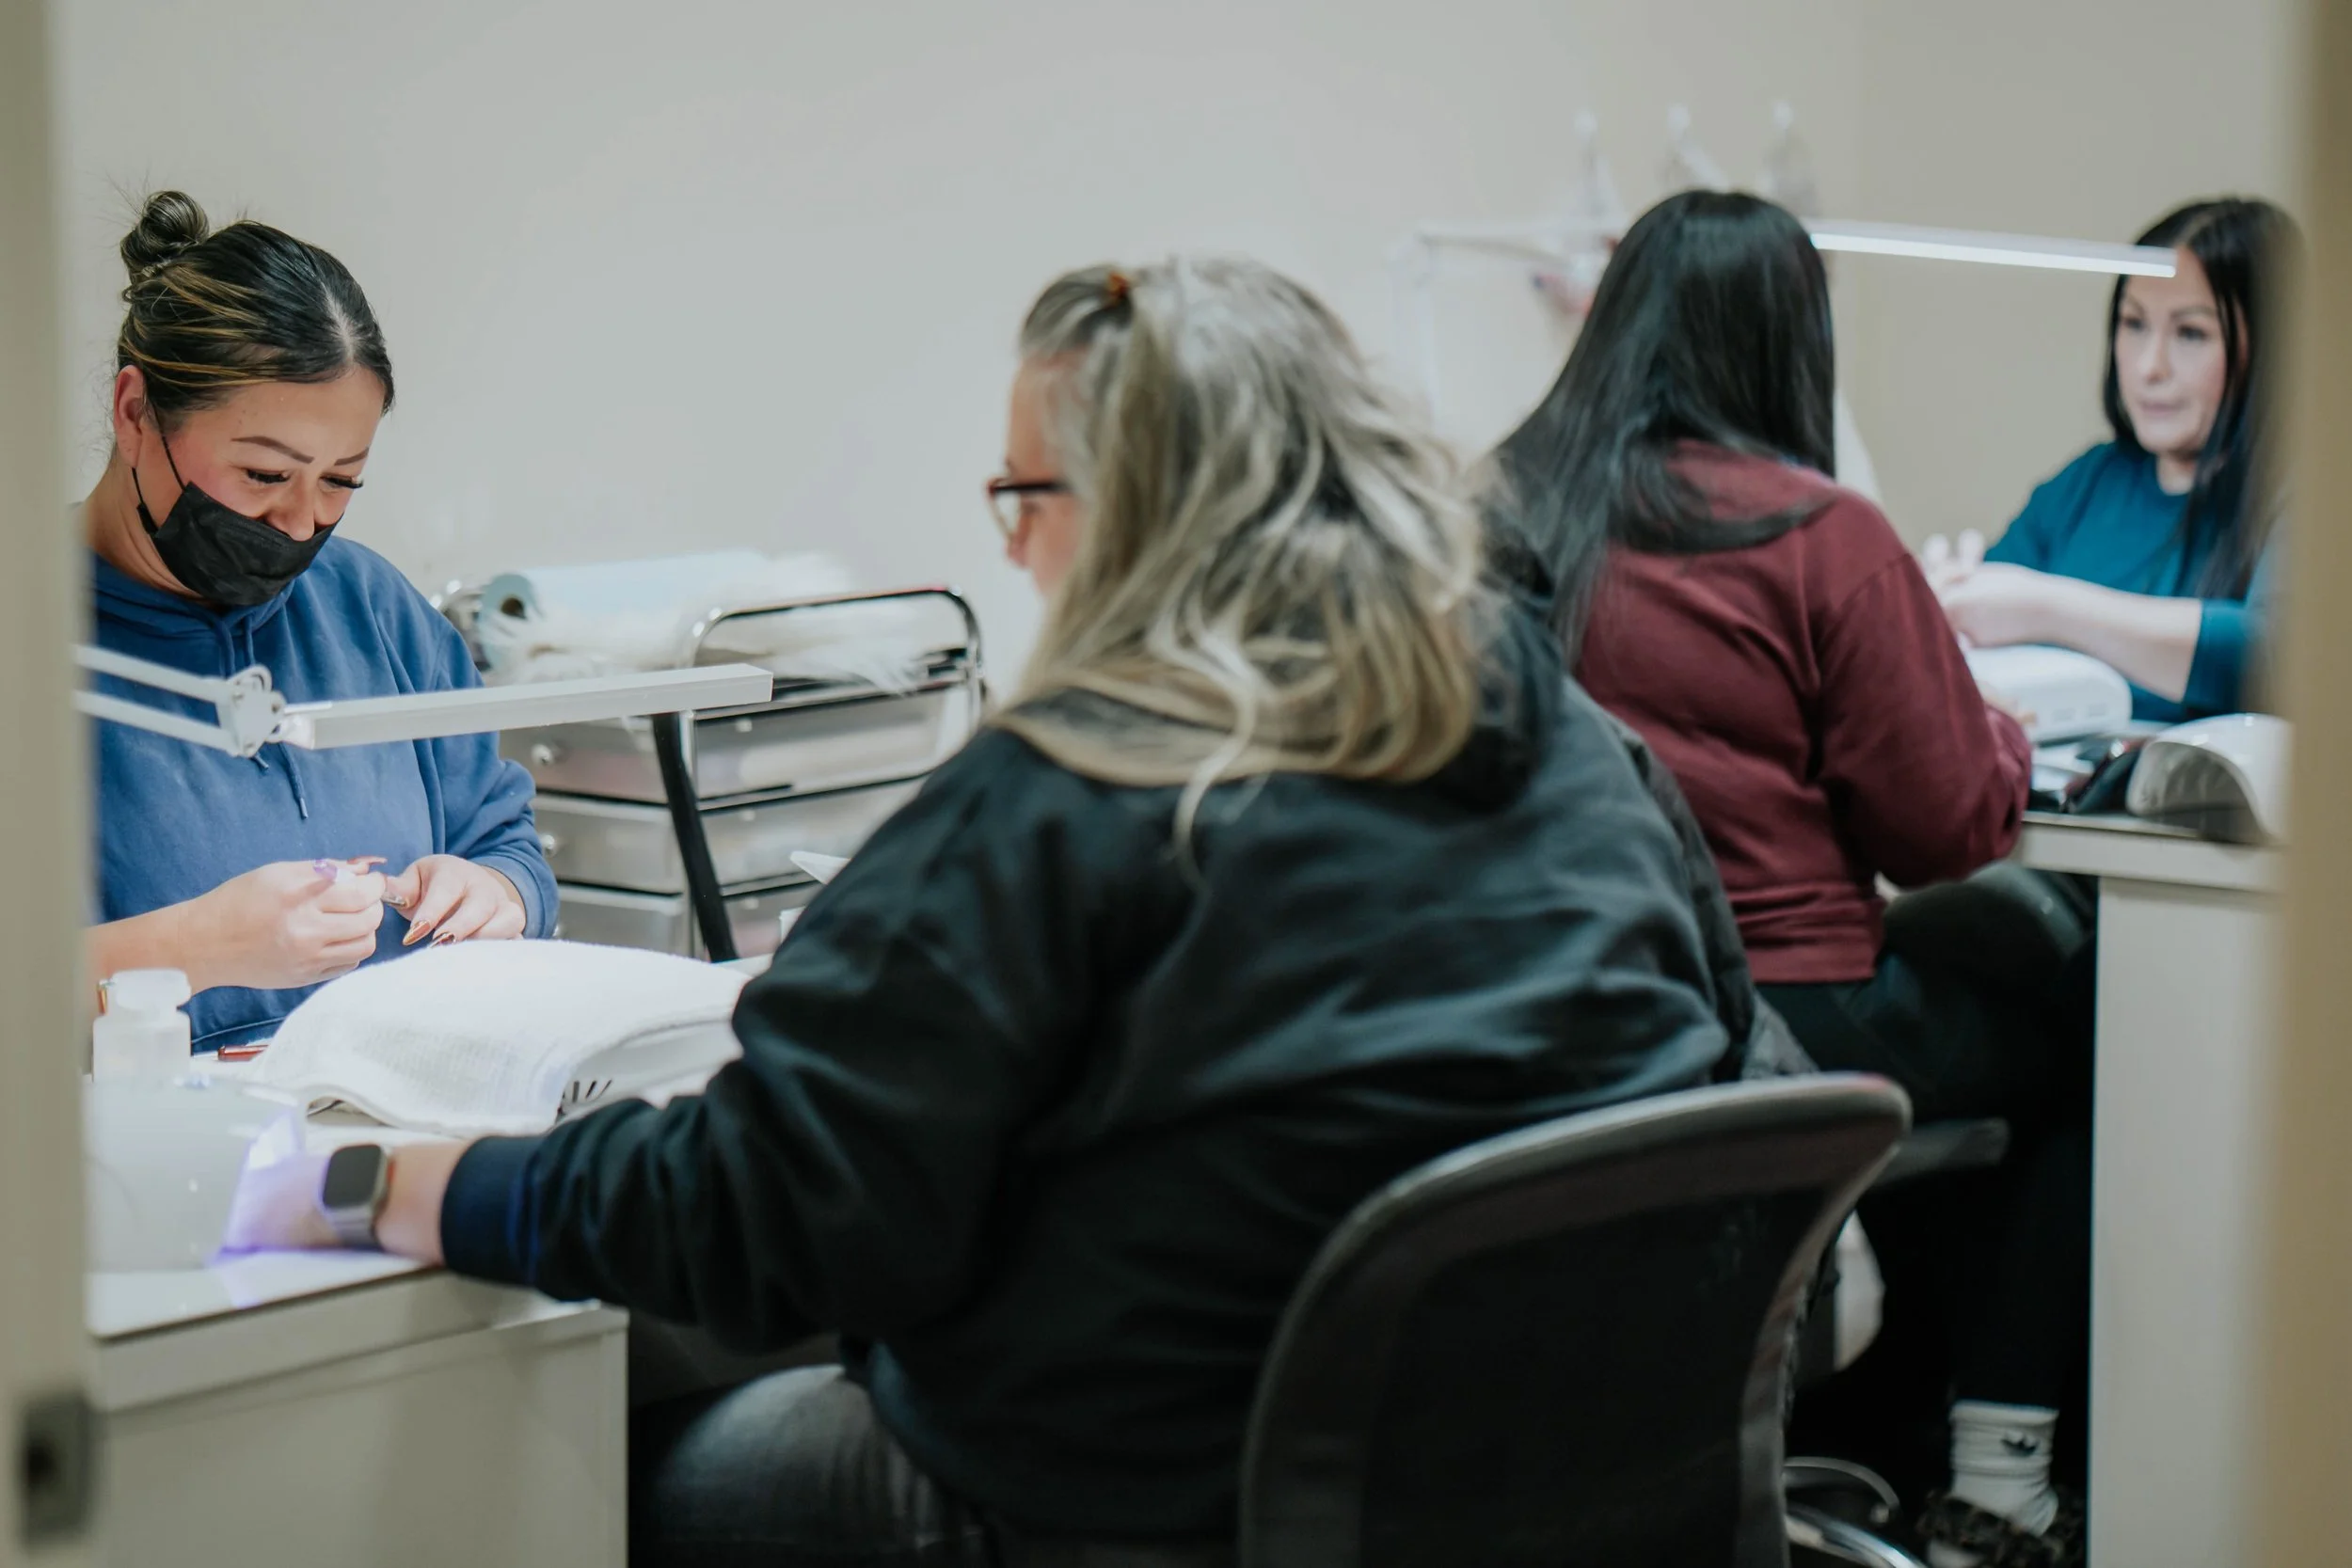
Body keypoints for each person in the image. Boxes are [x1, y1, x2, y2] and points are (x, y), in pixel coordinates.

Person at [224, 257, 1740, 1567]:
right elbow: (1731, 1048)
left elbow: (753, 1214)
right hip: (1590, 1474)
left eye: (1023, 493)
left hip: (1179, 1502)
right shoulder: (1579, 744)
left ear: (1148, 511)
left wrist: (385, 1184)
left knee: (634, 1482)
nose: (1011, 546)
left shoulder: (1080, 786)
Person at [1491, 189, 2093, 1567]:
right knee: (2073, 1025)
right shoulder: (1822, 535)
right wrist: (1996, 729)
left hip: (1557, 1008)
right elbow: (1944, 827)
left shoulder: (1503, 508)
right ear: (1788, 339)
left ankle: (1876, 1427)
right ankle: (1999, 1483)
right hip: (1778, 1008)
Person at [84, 191, 556, 1052]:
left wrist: (498, 891)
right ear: (134, 412)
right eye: (265, 475)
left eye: (341, 481)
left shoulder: (370, 608)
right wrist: (195, 947)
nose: (303, 524)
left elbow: (503, 835)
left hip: (384, 1135)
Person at [1926, 198, 2298, 722]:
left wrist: (2047, 607)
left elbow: (2278, 659)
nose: (2149, 366)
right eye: (2133, 323)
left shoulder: (2304, 490)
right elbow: (1985, 617)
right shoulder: (2089, 482)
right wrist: (1948, 597)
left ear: (2271, 345)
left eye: (2191, 333)